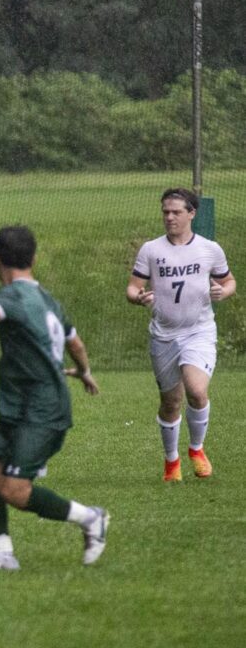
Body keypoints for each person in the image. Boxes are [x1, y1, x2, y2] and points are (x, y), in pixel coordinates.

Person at [0, 225, 108, 571]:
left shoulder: (12, 298)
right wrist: (84, 371)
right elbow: (75, 343)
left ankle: (91, 519)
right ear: (34, 259)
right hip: (20, 408)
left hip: (42, 410)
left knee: (13, 489)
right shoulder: (47, 299)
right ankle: (2, 557)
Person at [126, 188, 235, 481]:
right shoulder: (151, 249)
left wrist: (222, 291)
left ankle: (196, 450)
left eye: (176, 212)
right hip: (163, 335)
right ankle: (171, 462)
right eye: (165, 212)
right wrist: (138, 297)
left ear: (191, 214)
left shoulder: (210, 249)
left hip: (199, 331)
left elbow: (228, 280)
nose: (169, 217)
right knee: (171, 402)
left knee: (197, 391)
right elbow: (132, 287)